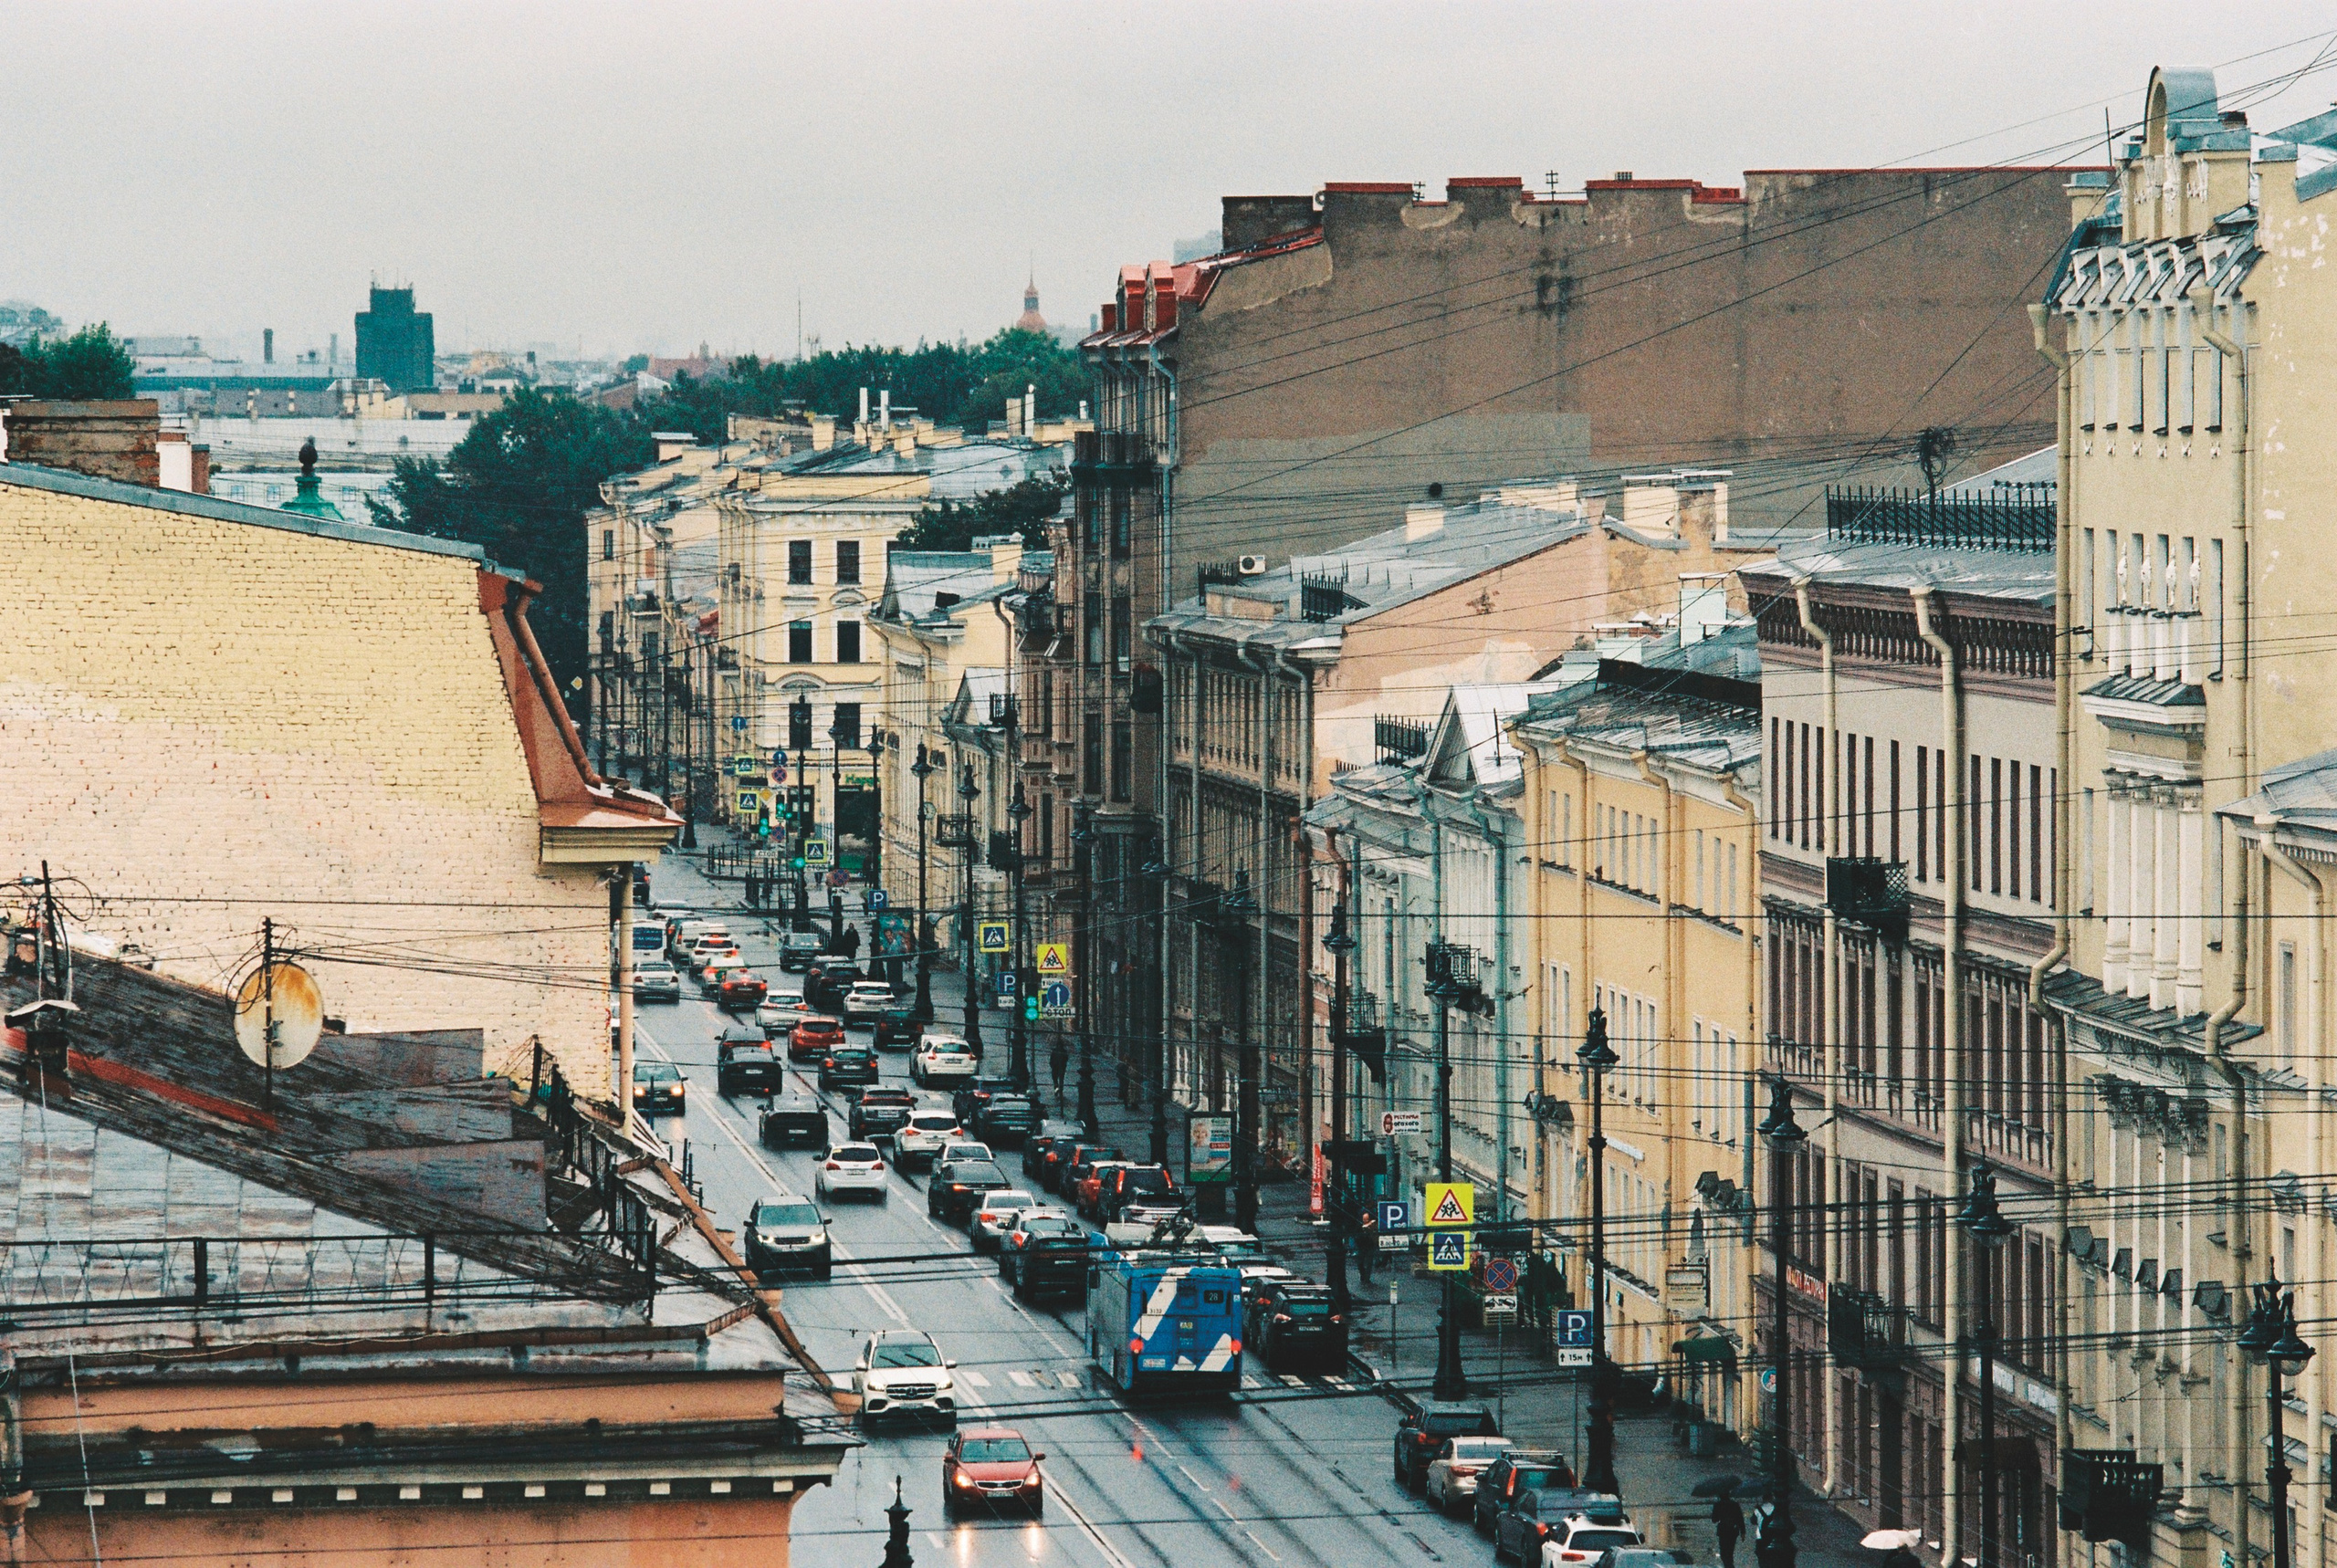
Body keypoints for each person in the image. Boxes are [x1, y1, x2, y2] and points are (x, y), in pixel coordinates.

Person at [1713, 1492, 1745, 1568]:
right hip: (1733, 1531)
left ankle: (1728, 1566)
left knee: (1724, 1552)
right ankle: (1730, 1565)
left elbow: (1714, 1519)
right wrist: (1743, 1532)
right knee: (1730, 1551)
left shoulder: (1718, 1505)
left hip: (1723, 1531)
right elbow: (1740, 1519)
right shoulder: (1735, 1504)